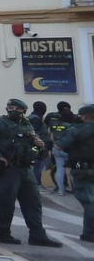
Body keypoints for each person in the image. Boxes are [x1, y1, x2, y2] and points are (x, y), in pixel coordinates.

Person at [0, 98, 62, 247]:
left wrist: (40, 145)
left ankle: (37, 235)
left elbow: (33, 142)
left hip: (26, 168)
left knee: (33, 202)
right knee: (6, 202)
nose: (13, 110)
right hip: (9, 169)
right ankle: (3, 233)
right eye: (10, 108)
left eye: (17, 109)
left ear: (23, 111)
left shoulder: (26, 124)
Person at [53, 104, 94, 242]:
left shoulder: (76, 130)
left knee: (89, 202)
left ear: (84, 116)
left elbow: (59, 145)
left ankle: (90, 233)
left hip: (82, 169)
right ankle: (89, 233)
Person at [44, 100, 78, 195]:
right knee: (72, 170)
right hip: (69, 149)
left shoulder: (54, 124)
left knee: (59, 170)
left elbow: (50, 135)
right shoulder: (71, 126)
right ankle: (74, 189)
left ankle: (61, 191)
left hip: (56, 148)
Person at [30, 101, 53, 189]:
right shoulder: (35, 119)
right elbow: (34, 133)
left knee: (39, 165)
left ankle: (36, 184)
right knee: (38, 166)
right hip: (39, 147)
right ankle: (37, 185)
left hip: (39, 146)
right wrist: (41, 146)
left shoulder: (33, 117)